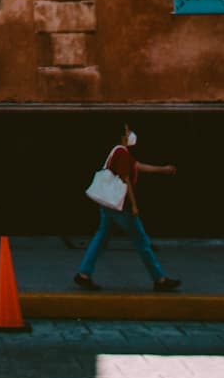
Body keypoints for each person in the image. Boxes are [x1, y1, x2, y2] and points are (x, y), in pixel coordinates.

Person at [75, 124, 181, 292]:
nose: (130, 133)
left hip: (107, 206)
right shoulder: (122, 153)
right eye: (127, 131)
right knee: (142, 242)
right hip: (121, 207)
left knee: (100, 239)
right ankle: (159, 279)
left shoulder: (117, 152)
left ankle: (84, 273)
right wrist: (134, 205)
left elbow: (138, 166)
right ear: (122, 136)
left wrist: (163, 169)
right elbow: (126, 179)